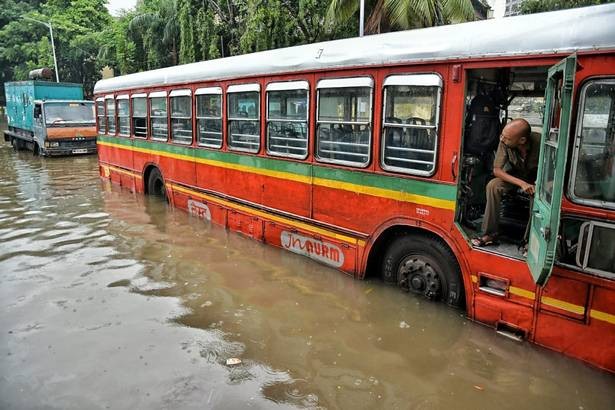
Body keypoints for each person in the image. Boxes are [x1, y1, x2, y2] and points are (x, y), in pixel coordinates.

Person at [471, 118, 540, 248]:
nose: (502, 139)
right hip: (516, 176)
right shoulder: (505, 141)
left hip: (537, 178)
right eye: (502, 135)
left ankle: (529, 241)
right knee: (493, 185)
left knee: (537, 196)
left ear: (522, 140)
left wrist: (535, 185)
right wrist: (521, 183)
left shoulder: (540, 143)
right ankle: (490, 234)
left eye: (506, 137)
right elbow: (497, 170)